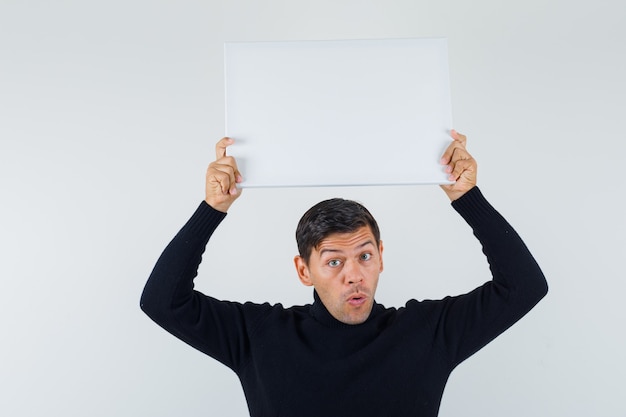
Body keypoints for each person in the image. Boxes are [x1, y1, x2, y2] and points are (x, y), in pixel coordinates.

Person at [140, 131, 548, 417]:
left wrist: (467, 197)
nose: (354, 275)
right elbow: (162, 301)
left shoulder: (427, 332)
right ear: (304, 270)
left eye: (365, 256)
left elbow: (524, 286)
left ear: (382, 257)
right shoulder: (259, 335)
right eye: (334, 261)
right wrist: (212, 208)